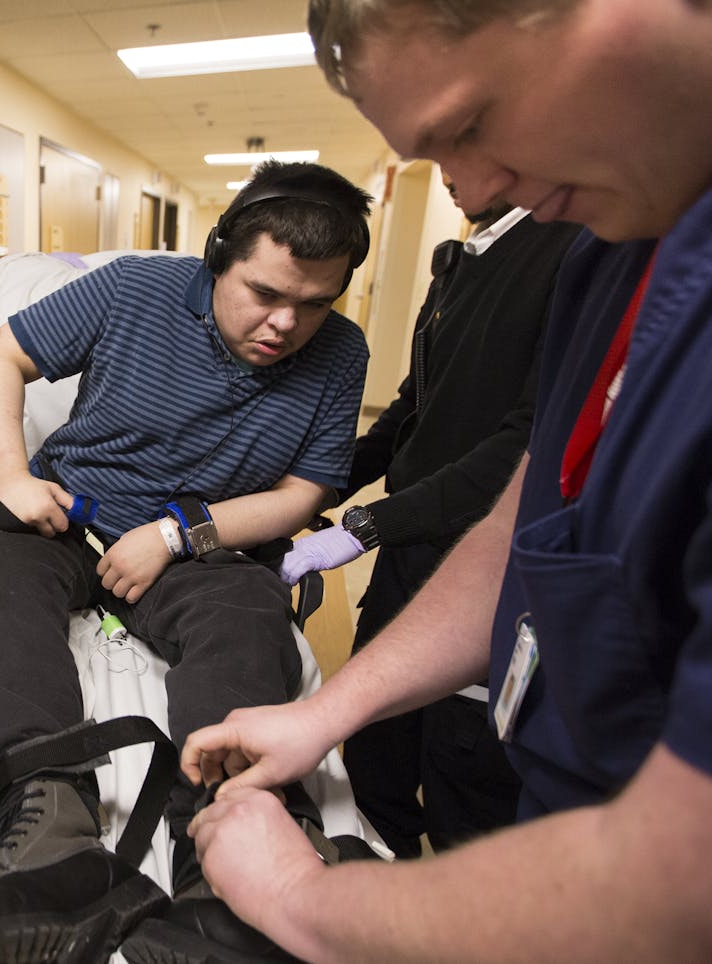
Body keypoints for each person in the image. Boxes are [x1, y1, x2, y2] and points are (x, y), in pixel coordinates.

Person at [180, 1, 712, 959]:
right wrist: (324, 713)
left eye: (470, 126)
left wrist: (299, 895)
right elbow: (531, 518)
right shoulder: (614, 249)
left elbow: (673, 886)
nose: (471, 184)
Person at [0, 161, 372, 960]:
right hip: (72, 520)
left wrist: (178, 535)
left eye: (313, 305)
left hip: (199, 544)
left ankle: (216, 850)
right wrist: (12, 477)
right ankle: (52, 824)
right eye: (265, 293)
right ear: (221, 255)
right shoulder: (132, 291)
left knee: (250, 612)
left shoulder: (343, 353)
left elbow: (303, 490)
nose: (286, 324)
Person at [278, 178, 581, 857]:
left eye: (461, 139)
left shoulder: (572, 252)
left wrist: (368, 526)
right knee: (375, 766)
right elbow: (413, 414)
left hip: (492, 575)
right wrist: (301, 490)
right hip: (412, 556)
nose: (445, 168)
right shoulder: (462, 260)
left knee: (464, 792)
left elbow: (523, 448)